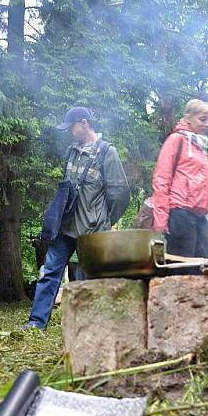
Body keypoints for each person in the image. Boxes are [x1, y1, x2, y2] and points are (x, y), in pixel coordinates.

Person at [23, 107, 130, 330]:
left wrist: (104, 220)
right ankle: (36, 322)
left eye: (72, 126)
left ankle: (86, 326)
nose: (70, 132)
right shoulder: (72, 151)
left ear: (84, 123)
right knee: (50, 271)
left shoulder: (107, 152)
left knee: (85, 279)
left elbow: (120, 194)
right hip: (65, 225)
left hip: (91, 230)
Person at [152, 99, 208, 259]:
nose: (207, 124)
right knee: (183, 265)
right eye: (203, 119)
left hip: (199, 213)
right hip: (180, 211)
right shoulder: (176, 140)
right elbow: (161, 178)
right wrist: (161, 219)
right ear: (188, 118)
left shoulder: (199, 147)